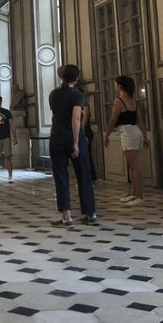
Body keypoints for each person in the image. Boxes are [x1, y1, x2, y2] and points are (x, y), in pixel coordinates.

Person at [48, 64, 98, 226]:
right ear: (76, 78)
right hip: (73, 137)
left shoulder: (53, 94)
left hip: (56, 137)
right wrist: (76, 142)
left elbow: (58, 115)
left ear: (61, 77)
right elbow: (76, 118)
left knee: (61, 175)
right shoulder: (77, 95)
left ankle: (66, 215)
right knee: (84, 174)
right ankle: (91, 214)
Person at [104, 75, 149, 207]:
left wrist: (107, 134)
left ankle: (139, 196)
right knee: (132, 165)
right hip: (134, 131)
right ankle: (134, 194)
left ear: (120, 86)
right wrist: (145, 136)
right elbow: (139, 120)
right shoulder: (132, 101)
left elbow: (113, 119)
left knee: (134, 166)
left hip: (127, 133)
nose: (114, 86)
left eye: (115, 84)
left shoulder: (119, 100)